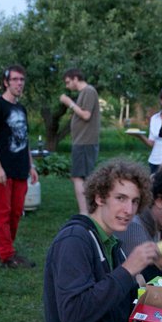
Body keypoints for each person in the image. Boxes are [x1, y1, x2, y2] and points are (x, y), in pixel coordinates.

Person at [43, 159, 159, 322]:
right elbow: (73, 314)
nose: (129, 209)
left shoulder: (111, 243)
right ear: (99, 197)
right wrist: (127, 270)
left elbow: (123, 303)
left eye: (135, 201)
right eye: (120, 198)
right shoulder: (74, 241)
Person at [0, 65, 39, 268]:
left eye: (22, 80)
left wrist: (31, 166)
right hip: (2, 170)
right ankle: (7, 256)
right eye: (15, 79)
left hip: (20, 168)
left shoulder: (21, 109)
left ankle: (2, 249)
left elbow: (25, 139)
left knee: (16, 213)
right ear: (6, 82)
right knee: (2, 212)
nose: (19, 83)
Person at [59, 68, 101, 214]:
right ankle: (89, 211)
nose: (67, 86)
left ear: (76, 78)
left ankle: (85, 213)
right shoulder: (85, 93)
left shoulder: (89, 91)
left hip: (85, 142)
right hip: (82, 141)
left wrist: (69, 103)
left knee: (78, 177)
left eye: (68, 82)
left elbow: (86, 115)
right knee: (82, 177)